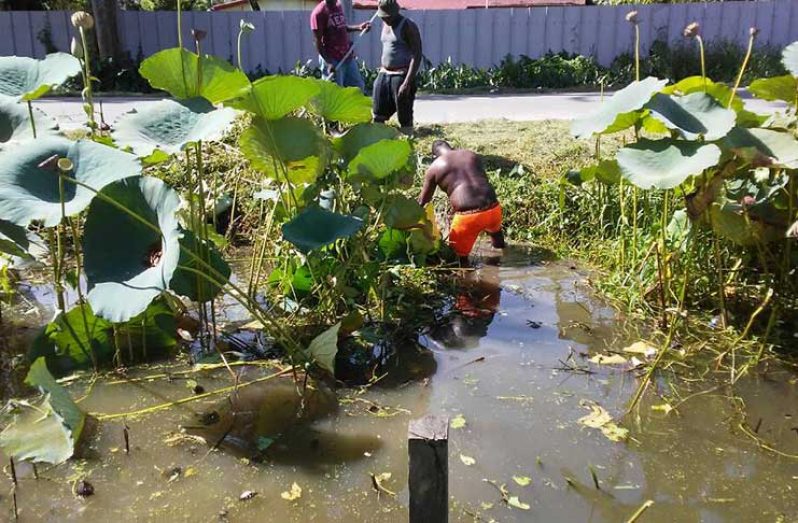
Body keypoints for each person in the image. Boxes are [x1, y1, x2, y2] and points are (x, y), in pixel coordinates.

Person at [418, 140, 505, 264]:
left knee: (458, 258)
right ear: (452, 148)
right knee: (496, 236)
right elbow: (482, 179)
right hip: (493, 208)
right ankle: (500, 261)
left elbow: (424, 200)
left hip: (468, 217)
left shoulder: (435, 167)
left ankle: (466, 278)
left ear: (433, 157)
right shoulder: (469, 154)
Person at [372, 0, 422, 134]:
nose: (384, 19)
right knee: (378, 111)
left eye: (387, 16)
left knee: (404, 113)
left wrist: (407, 82)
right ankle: (377, 139)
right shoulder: (385, 23)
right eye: (382, 16)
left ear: (394, 13)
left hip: (401, 74)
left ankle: (408, 139)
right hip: (384, 72)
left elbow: (416, 55)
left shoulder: (407, 26)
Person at [310, 0, 371, 90]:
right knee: (335, 93)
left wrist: (359, 27)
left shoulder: (338, 6)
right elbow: (317, 42)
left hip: (347, 56)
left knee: (358, 88)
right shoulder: (319, 13)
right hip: (333, 60)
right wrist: (329, 62)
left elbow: (341, 27)